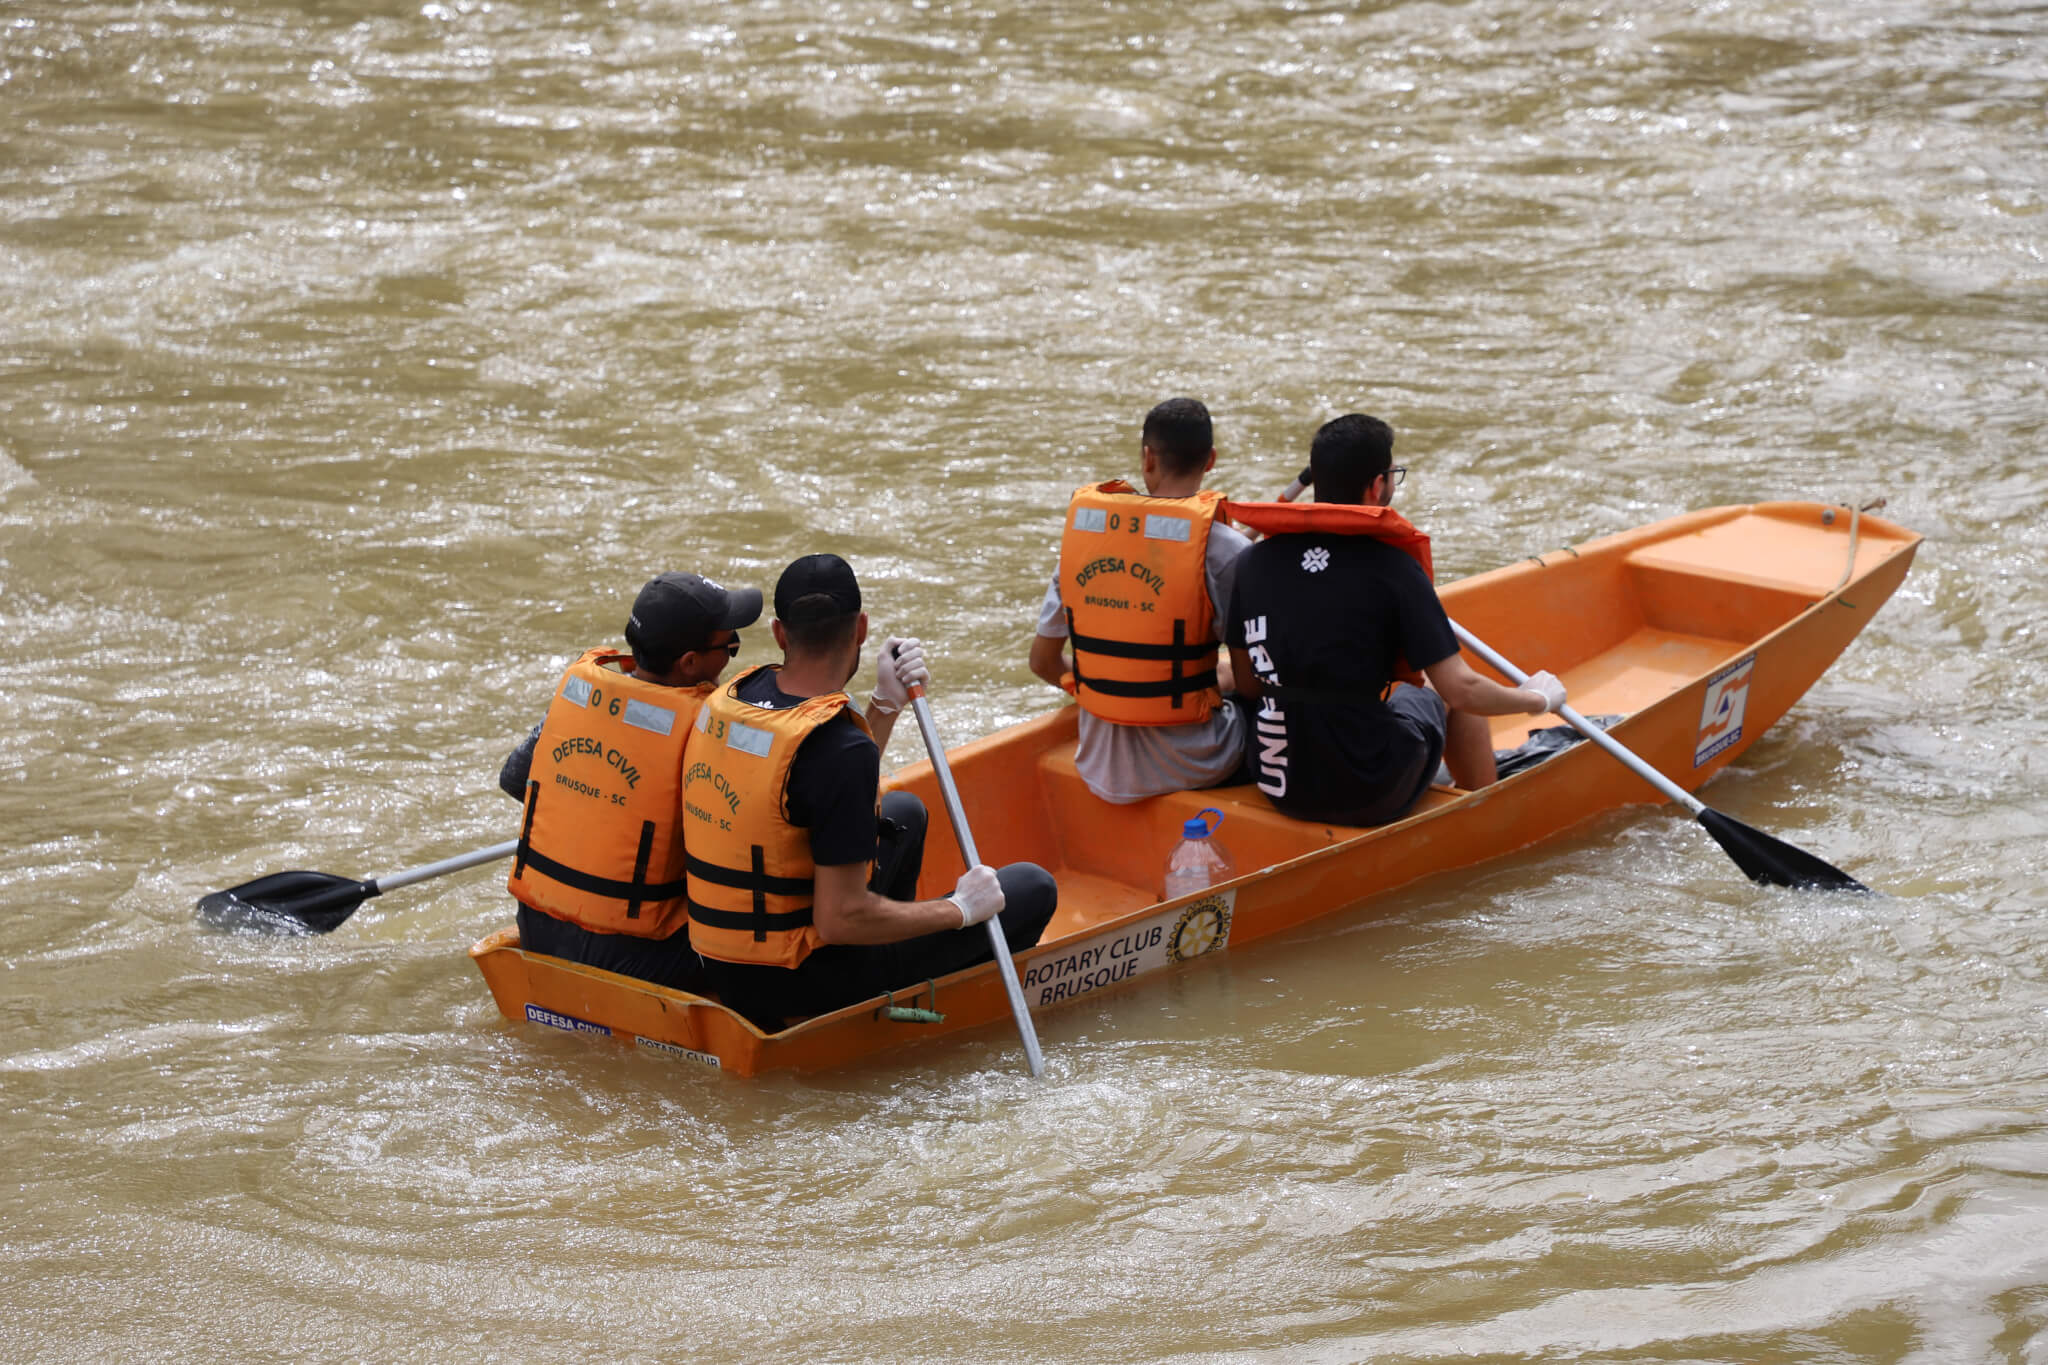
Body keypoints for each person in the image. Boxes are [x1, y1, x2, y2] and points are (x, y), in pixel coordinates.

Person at [682, 553, 1059, 1031]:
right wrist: (958, 910)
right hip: (794, 980)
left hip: (720, 960)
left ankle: (892, 956)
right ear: (860, 629)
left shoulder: (733, 694)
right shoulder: (840, 748)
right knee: (1030, 887)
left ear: (779, 633)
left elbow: (814, 784)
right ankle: (882, 1000)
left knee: (904, 812)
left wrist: (884, 705)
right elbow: (839, 920)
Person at [1224, 414, 1568, 826]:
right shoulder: (1395, 567)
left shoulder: (1252, 562)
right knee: (1445, 693)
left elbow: (1247, 683)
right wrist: (1537, 699)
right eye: (1392, 476)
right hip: (1370, 788)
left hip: (1280, 782)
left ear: (1315, 479)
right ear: (1376, 485)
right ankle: (1484, 813)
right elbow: (1462, 691)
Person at [497, 571, 761, 991]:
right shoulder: (706, 729)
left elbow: (515, 779)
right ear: (690, 663)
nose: (732, 656)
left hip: (539, 931)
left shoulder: (584, 695)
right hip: (635, 956)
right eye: (730, 646)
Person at [1027, 397, 1254, 803]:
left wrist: (1107, 689)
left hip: (1101, 764)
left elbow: (1042, 663)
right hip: (1199, 763)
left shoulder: (1083, 543)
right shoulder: (1229, 552)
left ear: (1147, 458)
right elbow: (1252, 682)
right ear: (1211, 460)